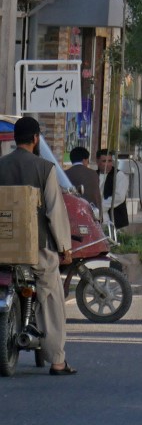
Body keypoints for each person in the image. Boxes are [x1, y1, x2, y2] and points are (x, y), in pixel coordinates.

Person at [0, 117, 75, 374]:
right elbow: (55, 211)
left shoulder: (1, 167)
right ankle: (57, 360)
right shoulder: (45, 169)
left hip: (3, 249)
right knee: (52, 295)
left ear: (13, 138)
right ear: (35, 139)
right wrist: (65, 248)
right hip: (37, 249)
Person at [97, 148, 129, 230]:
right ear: (97, 162)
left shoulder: (119, 175)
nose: (108, 164)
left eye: (110, 161)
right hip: (97, 218)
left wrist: (101, 206)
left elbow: (119, 197)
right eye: (104, 161)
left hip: (115, 219)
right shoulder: (93, 175)